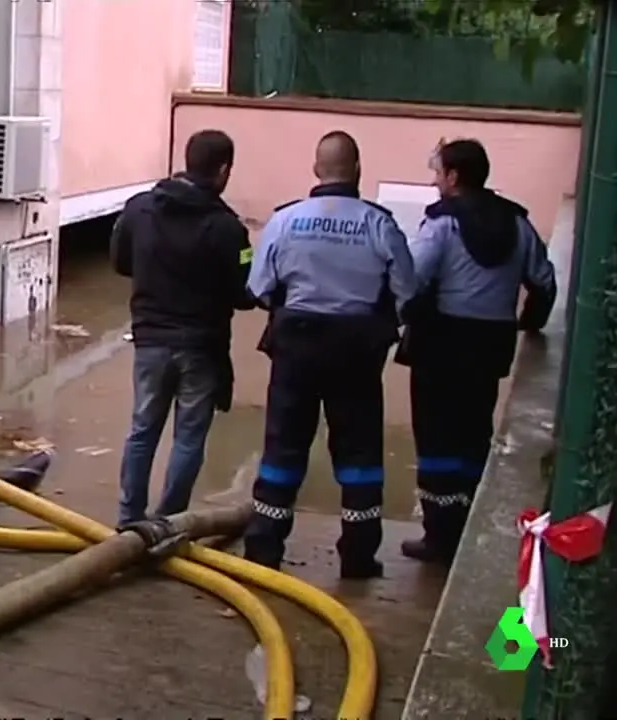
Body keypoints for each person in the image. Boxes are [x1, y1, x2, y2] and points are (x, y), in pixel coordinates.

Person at [242, 131, 417, 579]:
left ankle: (264, 550)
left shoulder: (284, 221)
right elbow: (407, 294)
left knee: (283, 446)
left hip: (296, 348)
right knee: (359, 452)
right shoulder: (380, 224)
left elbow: (259, 289)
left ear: (316, 169)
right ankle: (358, 556)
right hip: (357, 353)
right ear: (357, 170)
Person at [397, 138, 557, 565]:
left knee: (435, 436)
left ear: (453, 177)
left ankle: (439, 536)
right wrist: (529, 323)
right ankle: (470, 524)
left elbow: (411, 278)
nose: (435, 180)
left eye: (438, 173)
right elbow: (543, 282)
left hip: (442, 344)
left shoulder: (442, 224)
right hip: (490, 346)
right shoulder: (518, 223)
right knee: (473, 431)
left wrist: (403, 316)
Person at [110, 129, 255, 527]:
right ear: (223, 170)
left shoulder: (139, 209)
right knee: (188, 438)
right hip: (201, 346)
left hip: (150, 340)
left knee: (142, 429)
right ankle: (168, 523)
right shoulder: (229, 229)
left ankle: (127, 521)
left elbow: (120, 262)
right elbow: (246, 292)